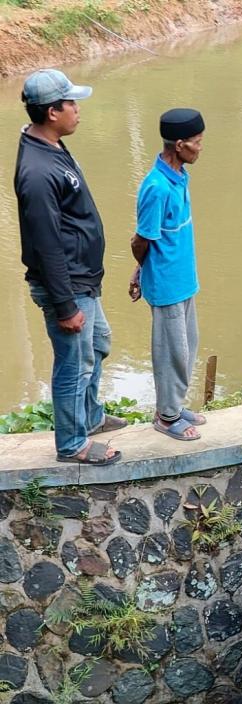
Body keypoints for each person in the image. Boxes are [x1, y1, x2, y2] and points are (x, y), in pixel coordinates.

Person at [14, 69, 124, 466]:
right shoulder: (38, 172)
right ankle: (73, 443)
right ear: (51, 111)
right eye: (71, 103)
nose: (78, 110)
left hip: (83, 280)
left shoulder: (51, 146)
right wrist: (64, 305)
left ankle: (91, 418)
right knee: (73, 366)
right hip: (68, 286)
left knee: (98, 345)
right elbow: (45, 244)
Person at [129, 109, 207, 441]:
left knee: (188, 345)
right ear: (179, 145)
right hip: (166, 284)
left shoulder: (180, 176)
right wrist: (140, 272)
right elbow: (140, 240)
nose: (201, 148)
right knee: (170, 351)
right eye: (197, 142)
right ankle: (167, 416)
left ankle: (174, 403)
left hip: (184, 279)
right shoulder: (157, 187)